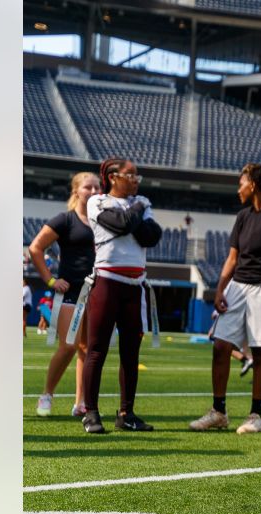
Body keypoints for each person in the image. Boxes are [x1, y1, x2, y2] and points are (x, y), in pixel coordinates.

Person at [190, 163, 261, 434]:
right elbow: (232, 258)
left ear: (253, 185)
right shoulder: (242, 217)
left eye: (241, 183)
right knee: (220, 346)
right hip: (238, 286)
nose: (238, 189)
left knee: (260, 352)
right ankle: (218, 412)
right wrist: (220, 289)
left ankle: (255, 416)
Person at [79, 157, 162, 434]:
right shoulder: (97, 201)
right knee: (97, 350)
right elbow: (122, 224)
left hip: (134, 285)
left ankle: (126, 412)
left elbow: (152, 236)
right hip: (107, 282)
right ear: (113, 177)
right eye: (131, 175)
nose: (136, 180)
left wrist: (132, 216)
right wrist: (137, 211)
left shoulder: (137, 204)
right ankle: (90, 412)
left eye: (138, 175)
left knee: (130, 352)